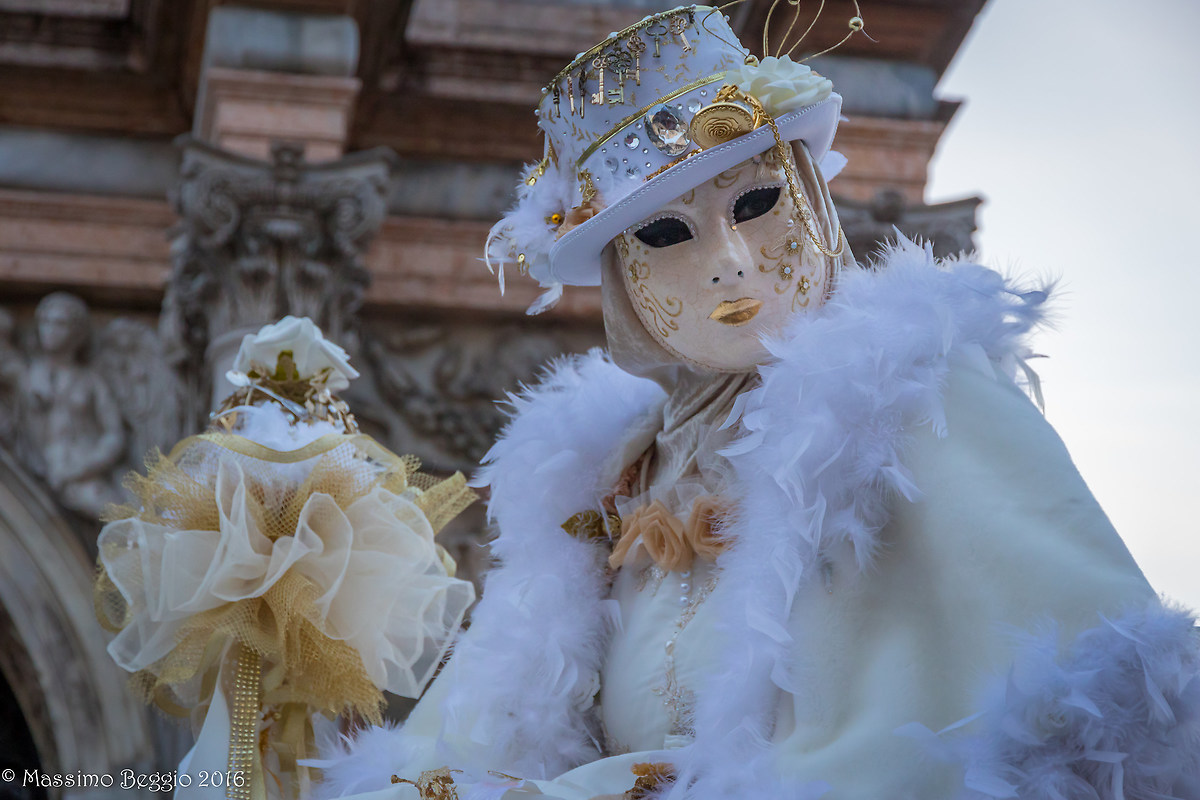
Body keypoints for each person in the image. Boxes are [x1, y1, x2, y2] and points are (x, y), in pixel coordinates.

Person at [320, 6, 1200, 799]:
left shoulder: (922, 401)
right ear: (623, 280)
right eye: (665, 231)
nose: (731, 261)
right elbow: (461, 748)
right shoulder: (605, 488)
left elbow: (1103, 709)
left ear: (811, 199)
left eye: (756, 202)